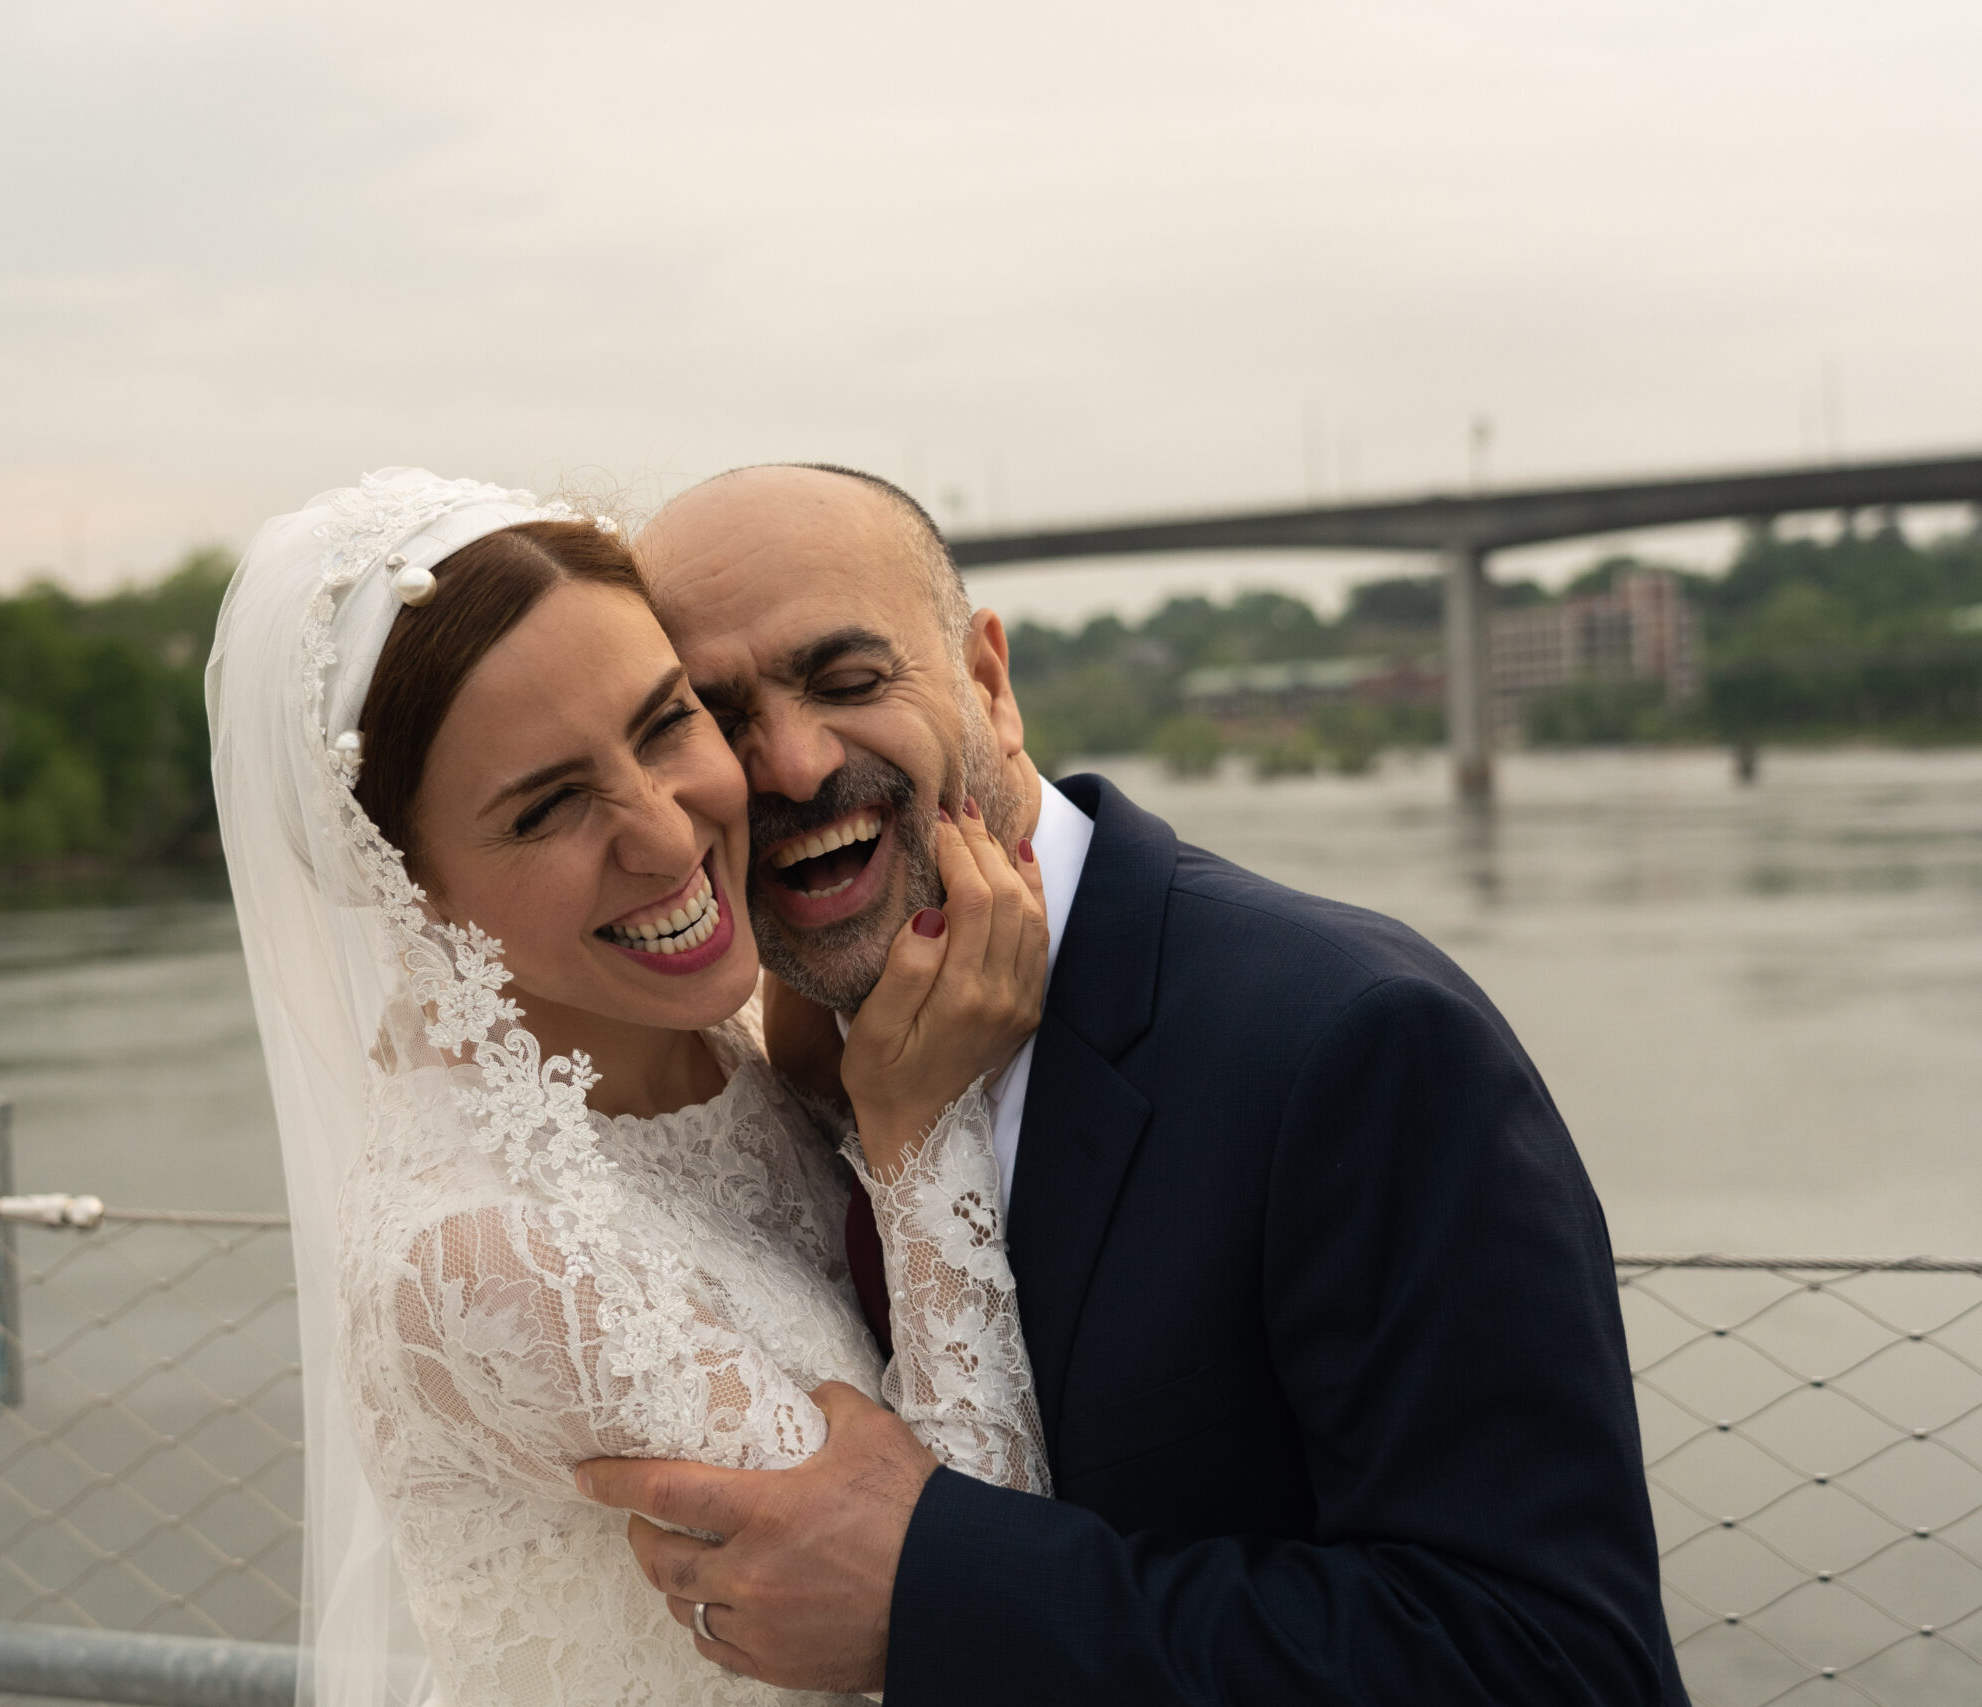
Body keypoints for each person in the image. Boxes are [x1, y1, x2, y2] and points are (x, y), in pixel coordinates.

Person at [576, 463, 1689, 1706]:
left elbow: (1551, 1662)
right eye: (718, 721)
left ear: (987, 684)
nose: (788, 762)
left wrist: (934, 1590)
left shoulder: (1351, 1040)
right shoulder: (769, 1074)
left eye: (848, 681)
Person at [207, 468, 1055, 1707]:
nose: (666, 834)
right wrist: (917, 1132)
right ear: (408, 885)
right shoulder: (488, 1255)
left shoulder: (722, 1058)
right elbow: (947, 1603)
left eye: (667, 724)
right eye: (549, 807)